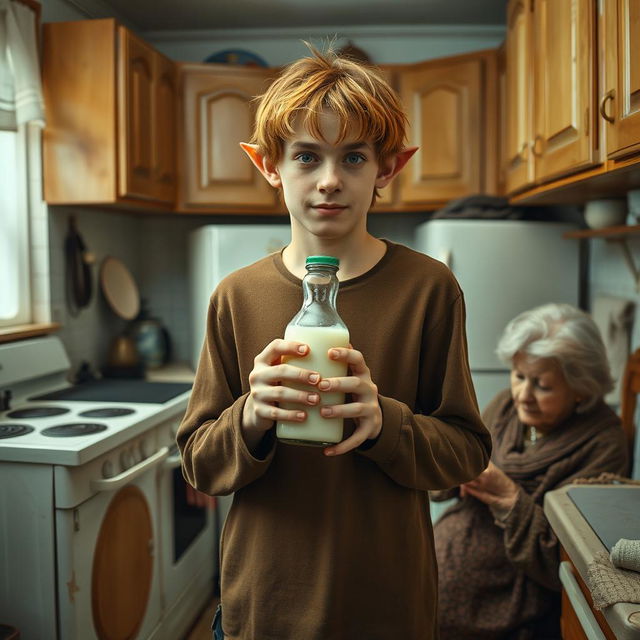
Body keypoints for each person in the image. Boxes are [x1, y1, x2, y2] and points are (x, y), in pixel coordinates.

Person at [177, 43, 492, 640]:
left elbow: (466, 453)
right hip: (264, 608)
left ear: (389, 168)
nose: (328, 181)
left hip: (387, 608)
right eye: (305, 156)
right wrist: (250, 417)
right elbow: (198, 463)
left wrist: (386, 423)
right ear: (269, 164)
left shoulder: (429, 288)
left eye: (353, 157)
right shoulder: (236, 296)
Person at [432, 302, 630, 640]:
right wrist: (453, 467)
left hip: (513, 602)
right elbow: (442, 483)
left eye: (543, 385)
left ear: (581, 388)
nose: (523, 395)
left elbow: (571, 560)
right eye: (519, 376)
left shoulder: (604, 443)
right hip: (442, 563)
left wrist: (509, 498)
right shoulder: (506, 407)